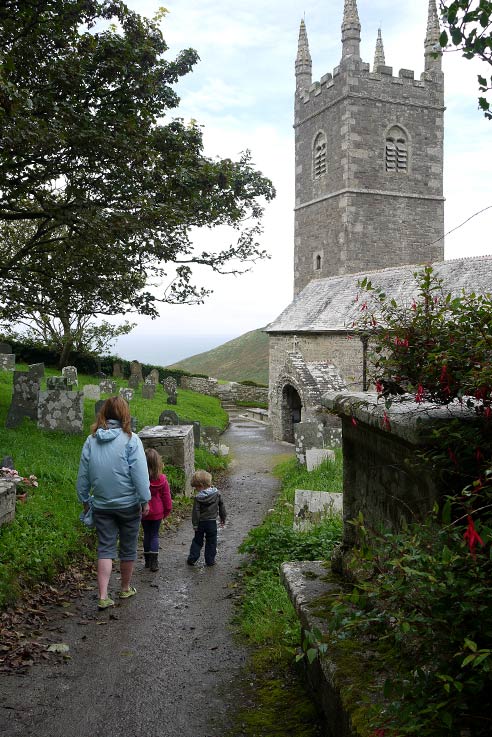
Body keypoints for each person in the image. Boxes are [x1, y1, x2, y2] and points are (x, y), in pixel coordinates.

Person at [76, 396, 151, 610]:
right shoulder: (131, 439)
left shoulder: (91, 440)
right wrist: (145, 499)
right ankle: (125, 588)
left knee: (105, 548)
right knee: (127, 548)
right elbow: (139, 473)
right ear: (125, 414)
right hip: (128, 505)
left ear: (104, 413)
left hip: (101, 505)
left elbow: (83, 474)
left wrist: (84, 499)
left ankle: (103, 595)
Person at [187, 469, 226, 567]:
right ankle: (210, 560)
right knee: (212, 541)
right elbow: (222, 506)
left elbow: (196, 512)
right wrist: (223, 517)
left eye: (196, 487)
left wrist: (195, 524)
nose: (196, 489)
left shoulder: (198, 498)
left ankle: (192, 558)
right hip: (212, 522)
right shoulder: (217, 494)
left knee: (197, 541)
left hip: (201, 523)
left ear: (201, 486)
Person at [142, 448, 172, 572]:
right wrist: (167, 511)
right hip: (158, 511)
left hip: (144, 511)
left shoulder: (142, 480)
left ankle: (147, 561)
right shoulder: (162, 479)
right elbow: (167, 497)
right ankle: (154, 562)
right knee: (154, 535)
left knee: (147, 534)